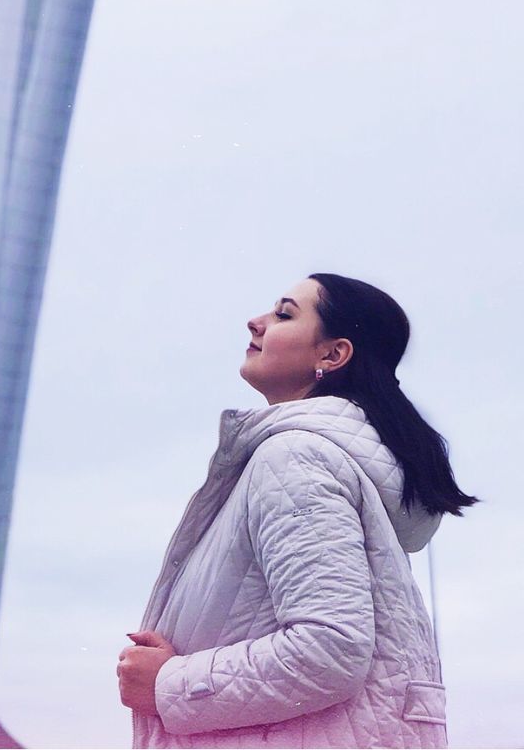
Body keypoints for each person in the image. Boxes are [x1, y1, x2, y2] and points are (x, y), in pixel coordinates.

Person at [118, 272, 477, 749]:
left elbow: (330, 649)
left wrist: (169, 684)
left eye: (284, 314)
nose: (256, 322)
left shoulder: (295, 458)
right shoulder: (314, 458)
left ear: (332, 355)